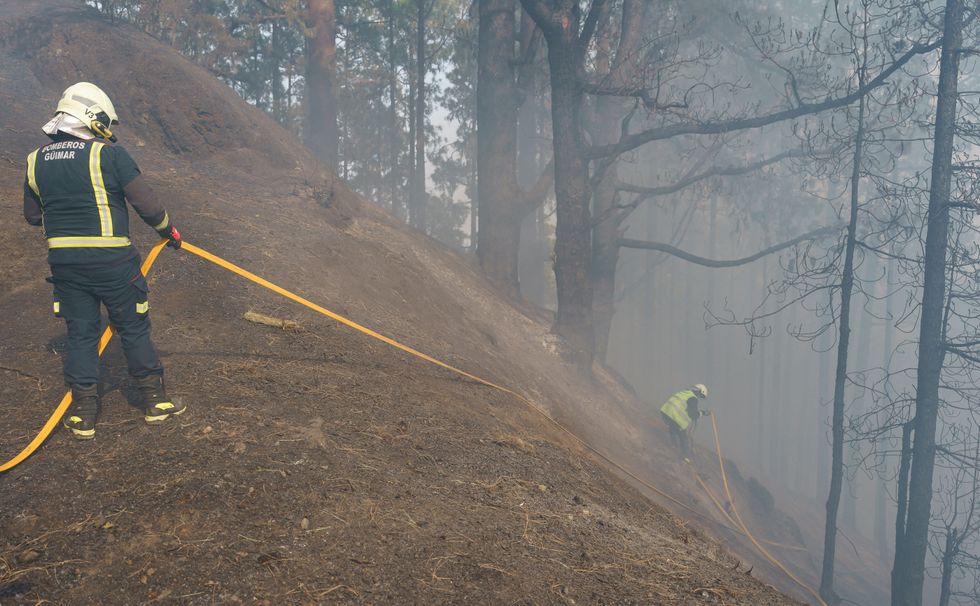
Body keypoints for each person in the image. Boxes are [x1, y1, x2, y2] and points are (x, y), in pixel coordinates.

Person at [23, 82, 185, 440]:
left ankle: (83, 415)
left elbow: (33, 216)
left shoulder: (35, 160)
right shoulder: (109, 155)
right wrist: (168, 231)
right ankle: (155, 402)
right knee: (133, 327)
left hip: (65, 266)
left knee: (81, 334)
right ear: (92, 118)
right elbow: (147, 205)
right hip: (113, 263)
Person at [659, 383, 710, 458]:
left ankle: (673, 446)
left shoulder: (685, 393)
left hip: (665, 413)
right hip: (674, 417)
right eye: (701, 395)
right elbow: (693, 414)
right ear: (699, 391)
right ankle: (685, 457)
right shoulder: (693, 398)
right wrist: (703, 413)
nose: (699, 397)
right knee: (683, 437)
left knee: (673, 430)